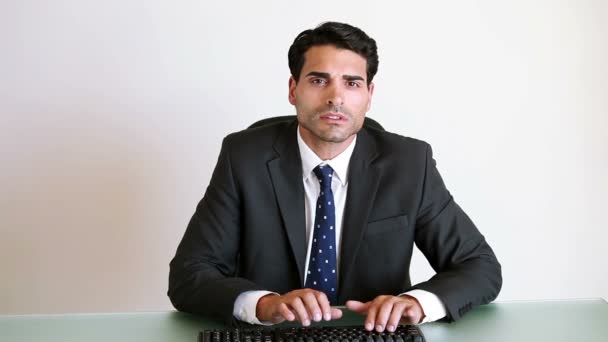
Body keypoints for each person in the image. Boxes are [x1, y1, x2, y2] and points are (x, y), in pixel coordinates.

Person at [168, 22, 502, 331]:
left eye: (352, 83)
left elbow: (479, 265)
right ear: (293, 89)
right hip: (275, 336)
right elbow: (189, 274)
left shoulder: (410, 164)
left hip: (374, 335)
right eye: (318, 80)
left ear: (369, 96)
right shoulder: (244, 158)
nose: (335, 97)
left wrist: (416, 303)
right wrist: (264, 304)